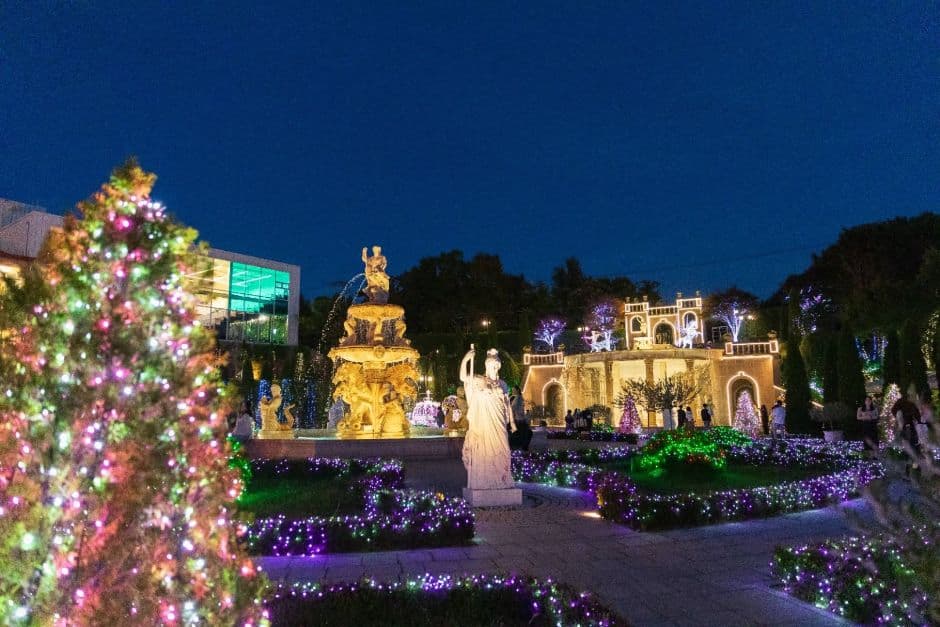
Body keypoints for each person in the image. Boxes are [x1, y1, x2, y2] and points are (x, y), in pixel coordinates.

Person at [459, 347, 516, 490]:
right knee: (485, 449)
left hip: (499, 422)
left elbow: (507, 404)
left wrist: (512, 422)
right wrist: (466, 359)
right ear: (487, 366)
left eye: (497, 366)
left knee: (503, 449)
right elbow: (463, 377)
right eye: (492, 365)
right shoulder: (479, 380)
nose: (494, 368)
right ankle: (485, 479)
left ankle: (503, 478)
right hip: (485, 421)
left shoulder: (503, 384)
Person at [891, 394, 922, 476]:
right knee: (913, 448)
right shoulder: (909, 405)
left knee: (910, 448)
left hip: (907, 429)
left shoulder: (903, 405)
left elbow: (894, 411)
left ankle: (910, 469)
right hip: (909, 429)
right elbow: (917, 416)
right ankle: (913, 469)